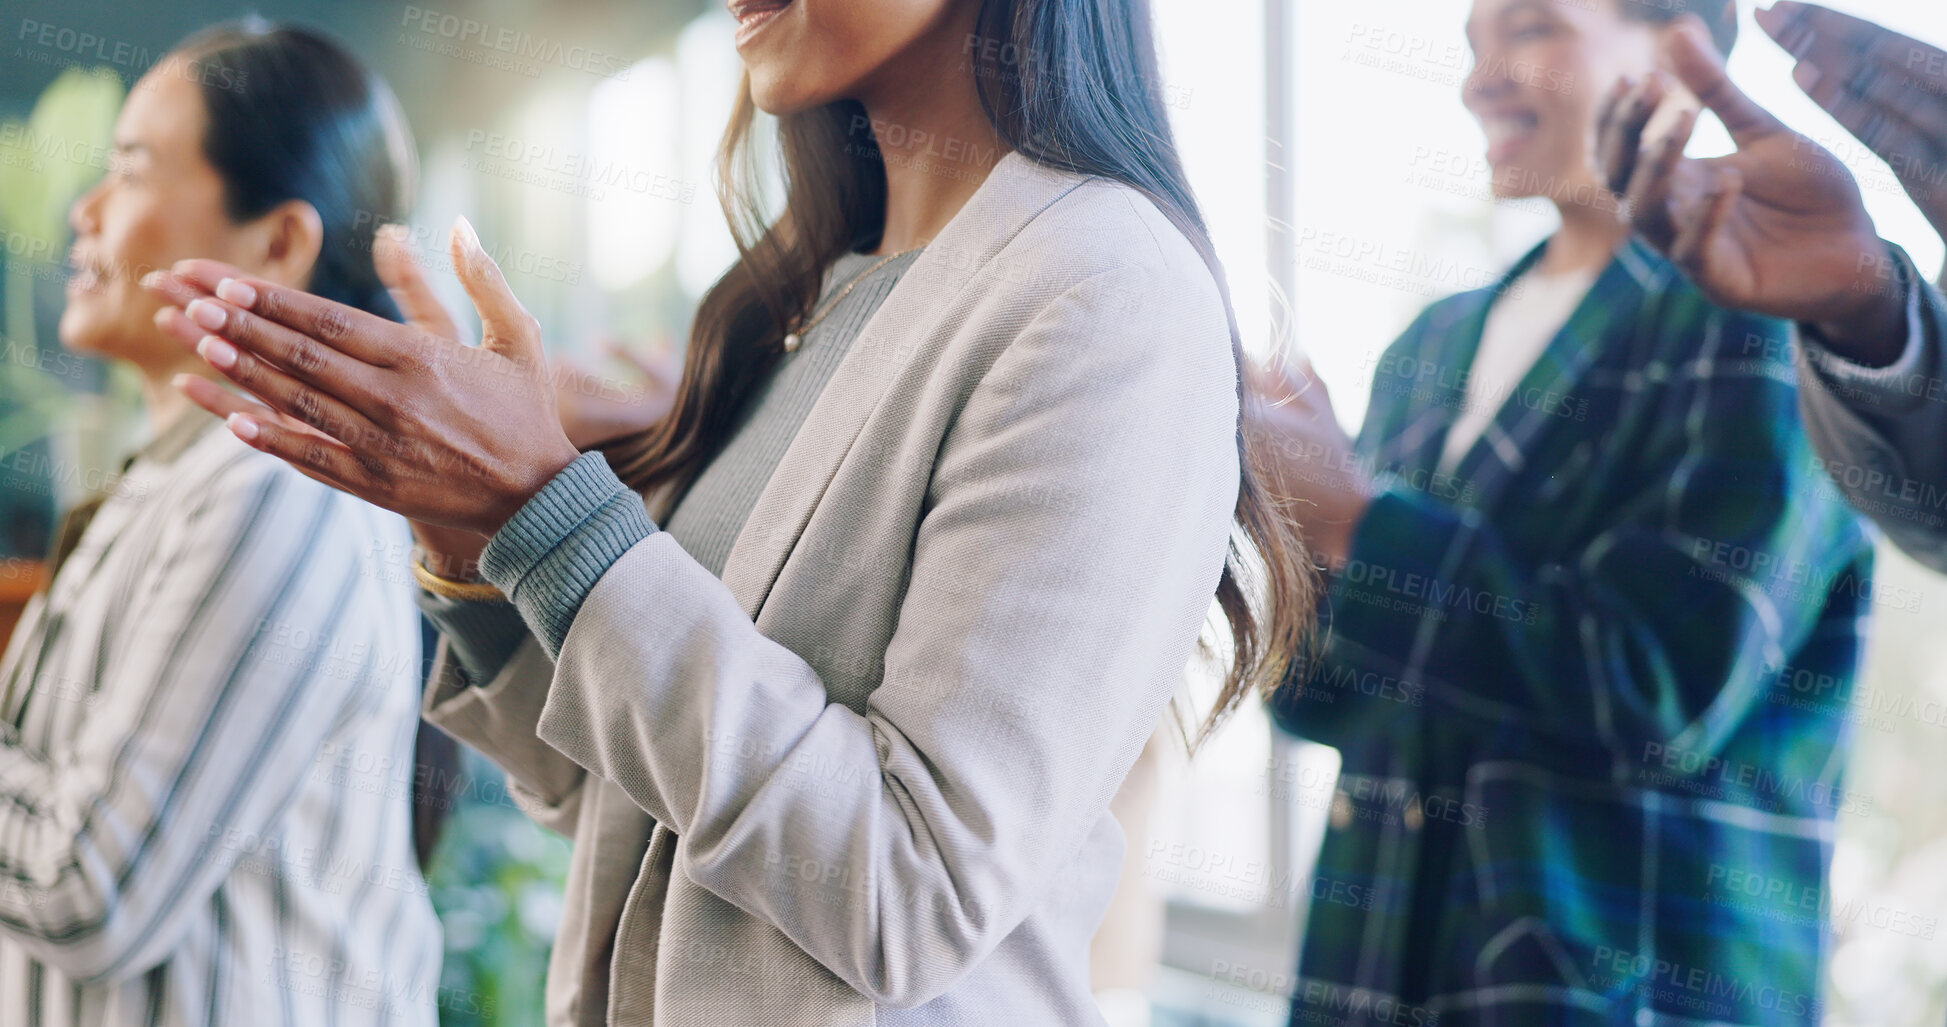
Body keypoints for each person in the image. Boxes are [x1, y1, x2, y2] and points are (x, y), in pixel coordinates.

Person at [143, 0, 1315, 1022]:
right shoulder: (808, 296)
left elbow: (911, 893)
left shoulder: (1105, 290)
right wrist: (469, 536)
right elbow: (625, 801)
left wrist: (545, 507)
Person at [1253, 2, 1871, 1022]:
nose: (1479, 78)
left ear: (1686, 44)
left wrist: (1358, 523)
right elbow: (1324, 701)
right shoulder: (1427, 348)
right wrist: (1289, 529)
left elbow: (1658, 686)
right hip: (1374, 976)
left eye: (1531, 29)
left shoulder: (1766, 316)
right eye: (1471, 46)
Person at [0, 22, 441, 1026]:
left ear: (277, 242)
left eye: (133, 170)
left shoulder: (275, 486)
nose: (87, 210)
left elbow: (86, 893)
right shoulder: (185, 475)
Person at [1596, 1, 1947, 571]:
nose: (1476, 86)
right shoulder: (1440, 331)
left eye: (1532, 28)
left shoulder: (1735, 334)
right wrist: (1868, 314)